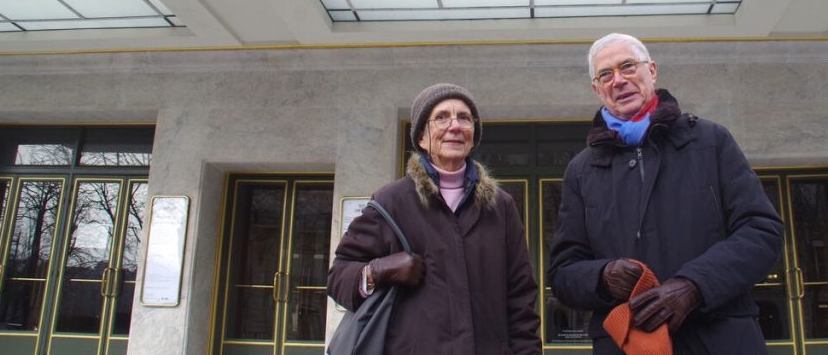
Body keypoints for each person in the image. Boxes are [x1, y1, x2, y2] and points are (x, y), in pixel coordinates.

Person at [548, 33, 784, 355]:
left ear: (652, 70)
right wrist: (603, 276)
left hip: (720, 339)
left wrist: (694, 286)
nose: (618, 80)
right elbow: (563, 273)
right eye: (606, 74)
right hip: (629, 344)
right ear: (597, 89)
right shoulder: (581, 170)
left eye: (628, 67)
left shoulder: (710, 141)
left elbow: (762, 231)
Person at [327, 83, 542, 355]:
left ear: (473, 135)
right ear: (421, 138)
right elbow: (339, 278)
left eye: (464, 118)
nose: (455, 125)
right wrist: (380, 270)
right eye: (441, 117)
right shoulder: (391, 201)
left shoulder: (501, 206)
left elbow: (520, 299)